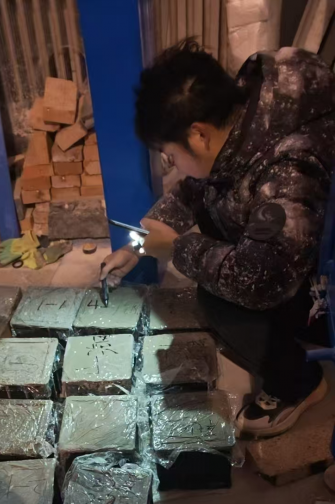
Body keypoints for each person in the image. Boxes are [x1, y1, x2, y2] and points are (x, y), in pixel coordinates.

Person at [100, 40, 335, 437]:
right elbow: (203, 183)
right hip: (294, 248)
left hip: (316, 284)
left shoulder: (288, 173)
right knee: (215, 232)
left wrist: (177, 249)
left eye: (170, 154)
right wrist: (138, 244)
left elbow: (260, 281)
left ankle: (299, 384)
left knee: (219, 301)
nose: (171, 165)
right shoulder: (241, 115)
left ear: (198, 134)